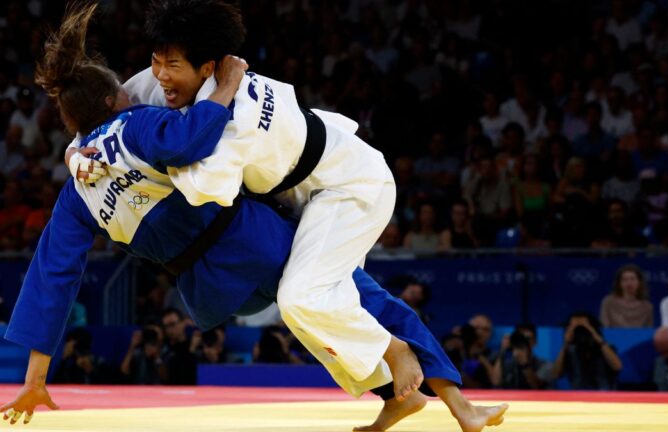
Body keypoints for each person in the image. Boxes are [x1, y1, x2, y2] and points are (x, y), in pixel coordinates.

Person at [0, 6, 507, 431]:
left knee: (310, 312)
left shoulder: (77, 190)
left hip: (210, 290)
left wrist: (35, 377)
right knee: (350, 296)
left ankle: (405, 394)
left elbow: (54, 275)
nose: (152, 82)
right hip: (253, 241)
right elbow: (185, 139)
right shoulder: (138, 121)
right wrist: (224, 88)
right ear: (115, 100)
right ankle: (444, 393)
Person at [69, 0, 423, 402]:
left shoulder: (238, 112)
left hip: (346, 185)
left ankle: (399, 352)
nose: (160, 75)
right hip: (302, 196)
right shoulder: (165, 80)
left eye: (172, 65)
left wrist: (159, 151)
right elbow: (103, 113)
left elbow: (206, 192)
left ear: (207, 67)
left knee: (301, 298)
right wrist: (73, 154)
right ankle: (397, 397)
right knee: (316, 311)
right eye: (156, 60)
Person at [553, 312, 623, 390]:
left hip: (604, 396)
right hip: (578, 396)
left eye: (584, 329)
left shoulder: (606, 348)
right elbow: (556, 374)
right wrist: (565, 343)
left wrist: (592, 331)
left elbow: (617, 366)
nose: (581, 332)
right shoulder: (569, 351)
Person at [490, 324, 553, 389]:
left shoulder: (545, 365)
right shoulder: (508, 364)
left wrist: (524, 363)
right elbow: (495, 382)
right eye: (521, 339)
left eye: (527, 339)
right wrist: (502, 350)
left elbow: (536, 386)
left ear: (535, 342)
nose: (524, 342)